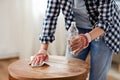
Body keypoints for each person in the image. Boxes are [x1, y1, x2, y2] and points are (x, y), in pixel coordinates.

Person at [30, 0, 120, 80]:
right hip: (77, 29)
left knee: (97, 75)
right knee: (71, 71)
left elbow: (105, 21)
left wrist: (86, 38)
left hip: (103, 31)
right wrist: (43, 50)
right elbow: (50, 16)